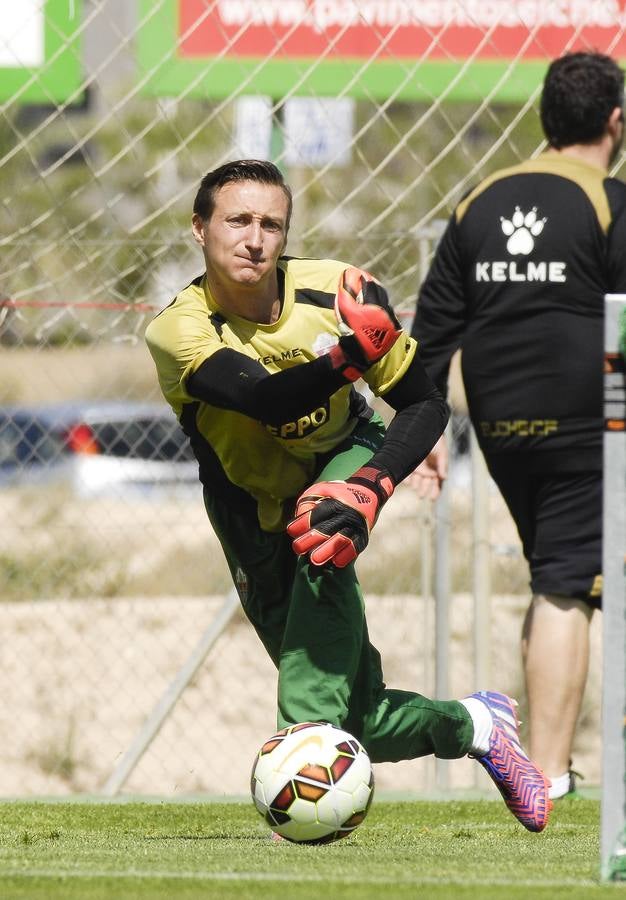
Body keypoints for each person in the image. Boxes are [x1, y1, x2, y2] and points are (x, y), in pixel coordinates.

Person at [145, 158, 550, 831]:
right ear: (199, 229)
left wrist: (372, 482)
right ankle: (475, 725)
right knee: (355, 715)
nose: (255, 238)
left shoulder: (337, 293)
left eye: (271, 223)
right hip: (247, 506)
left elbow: (424, 403)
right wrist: (346, 358)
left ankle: (303, 819)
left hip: (342, 459)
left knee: (322, 539)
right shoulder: (179, 328)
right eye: (238, 220)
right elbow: (264, 400)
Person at [411, 51, 626, 800]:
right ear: (615, 121)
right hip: (586, 414)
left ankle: (540, 761)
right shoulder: (608, 200)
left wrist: (425, 429)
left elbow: (432, 329)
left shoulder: (481, 199)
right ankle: (552, 776)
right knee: (570, 584)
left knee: (554, 577)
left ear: (544, 120)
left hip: (502, 420)